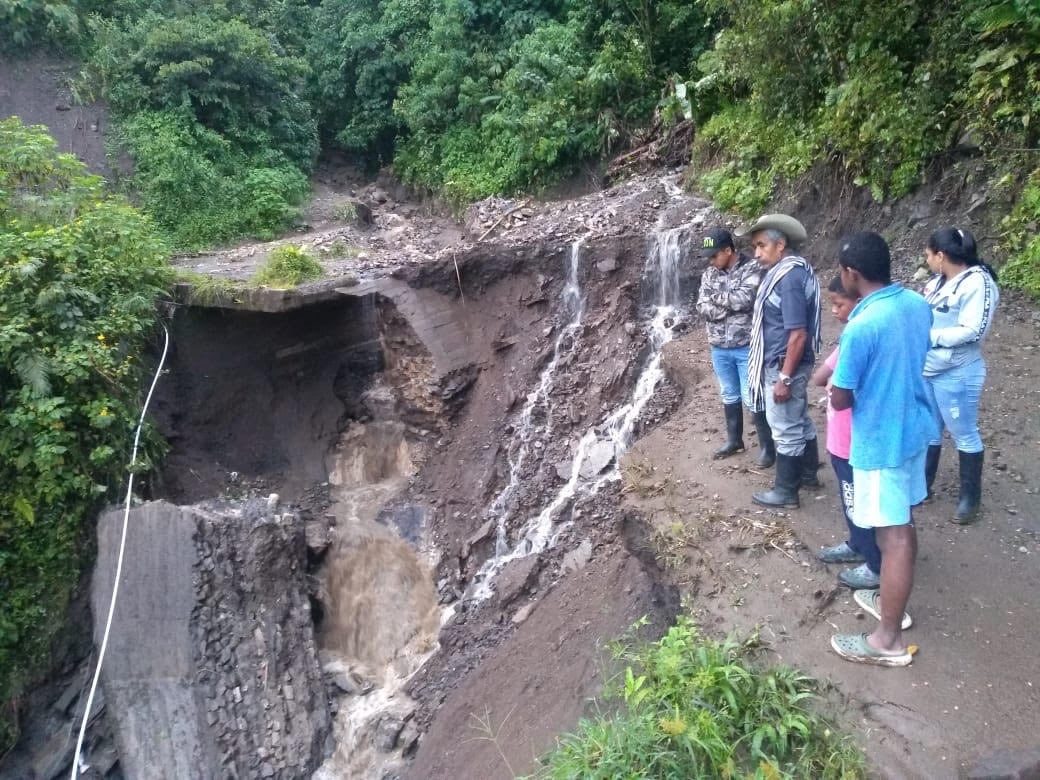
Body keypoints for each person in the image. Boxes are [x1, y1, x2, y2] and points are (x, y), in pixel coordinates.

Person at [828, 231, 934, 667]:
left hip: (881, 441)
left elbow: (839, 395)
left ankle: (886, 639)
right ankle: (890, 603)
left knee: (892, 538)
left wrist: (840, 395)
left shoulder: (862, 326)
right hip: (915, 430)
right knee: (902, 523)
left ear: (851, 274)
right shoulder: (916, 305)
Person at [921, 228, 1000, 524]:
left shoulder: (979, 284)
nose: (926, 261)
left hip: (957, 371)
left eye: (928, 255)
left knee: (963, 432)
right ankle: (922, 486)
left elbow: (974, 330)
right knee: (929, 428)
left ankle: (970, 499)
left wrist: (930, 336)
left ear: (941, 256)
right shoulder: (938, 282)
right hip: (929, 367)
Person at [744, 214, 823, 509]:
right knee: (799, 419)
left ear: (781, 244)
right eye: (755, 247)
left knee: (785, 427)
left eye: (762, 245)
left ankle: (786, 491)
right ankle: (808, 474)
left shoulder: (788, 279)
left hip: (783, 364)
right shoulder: (793, 272)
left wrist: (784, 378)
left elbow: (798, 333)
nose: (757, 253)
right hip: (789, 362)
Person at [812, 276, 882, 589]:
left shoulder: (860, 336)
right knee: (849, 496)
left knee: (858, 501)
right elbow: (820, 377)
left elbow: (832, 387)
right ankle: (857, 544)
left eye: (839, 304)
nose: (834, 311)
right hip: (839, 440)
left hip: (853, 440)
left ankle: (875, 564)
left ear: (859, 303)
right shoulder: (848, 340)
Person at [694, 227, 775, 466]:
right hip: (718, 345)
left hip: (746, 344)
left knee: (753, 396)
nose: (710, 261)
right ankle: (734, 440)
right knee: (729, 393)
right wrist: (727, 302)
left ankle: (767, 448)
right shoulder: (710, 273)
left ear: (728, 250)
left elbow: (745, 299)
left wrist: (717, 299)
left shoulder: (753, 268)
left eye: (714, 255)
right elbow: (701, 306)